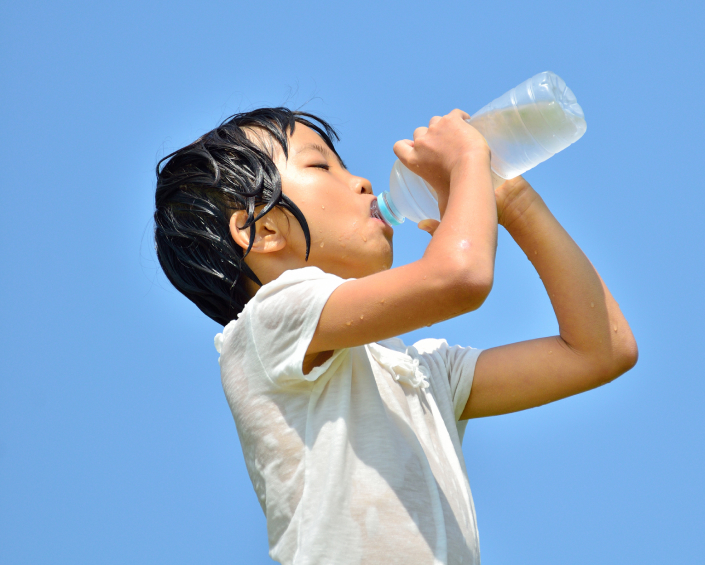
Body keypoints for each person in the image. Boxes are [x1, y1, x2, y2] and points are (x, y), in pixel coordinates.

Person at [154, 106, 637, 565]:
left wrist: (513, 200)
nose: (361, 181)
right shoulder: (270, 320)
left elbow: (600, 350)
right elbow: (459, 277)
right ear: (261, 231)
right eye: (322, 167)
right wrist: (467, 158)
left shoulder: (419, 372)